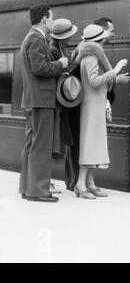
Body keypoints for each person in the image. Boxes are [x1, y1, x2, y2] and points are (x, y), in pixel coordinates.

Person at [19, 3, 69, 202]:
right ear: (44, 19)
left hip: (34, 99)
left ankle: (27, 189)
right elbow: (40, 68)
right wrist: (61, 64)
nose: (54, 21)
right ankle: (39, 191)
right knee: (41, 146)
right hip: (42, 100)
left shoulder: (31, 38)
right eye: (52, 18)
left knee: (31, 145)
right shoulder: (37, 39)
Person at [74, 24, 127, 199]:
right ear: (99, 40)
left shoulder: (88, 55)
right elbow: (95, 81)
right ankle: (81, 185)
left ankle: (89, 183)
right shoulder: (91, 57)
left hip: (93, 104)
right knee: (90, 144)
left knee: (93, 143)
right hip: (91, 105)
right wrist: (115, 71)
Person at [49, 18, 78, 193]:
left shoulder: (61, 48)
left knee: (60, 142)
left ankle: (53, 179)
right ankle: (48, 179)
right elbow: (59, 72)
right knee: (54, 142)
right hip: (57, 102)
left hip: (62, 102)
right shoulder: (54, 50)